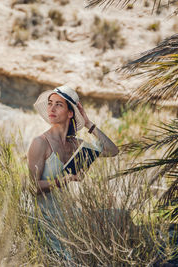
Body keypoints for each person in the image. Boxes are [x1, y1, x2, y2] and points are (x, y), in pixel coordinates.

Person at [27, 85, 119, 257]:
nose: (51, 109)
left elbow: (112, 151)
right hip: (46, 221)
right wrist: (66, 179)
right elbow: (32, 187)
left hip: (69, 218)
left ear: (71, 113)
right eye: (50, 103)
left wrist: (89, 124)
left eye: (59, 104)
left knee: (117, 223)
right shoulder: (40, 143)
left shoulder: (75, 144)